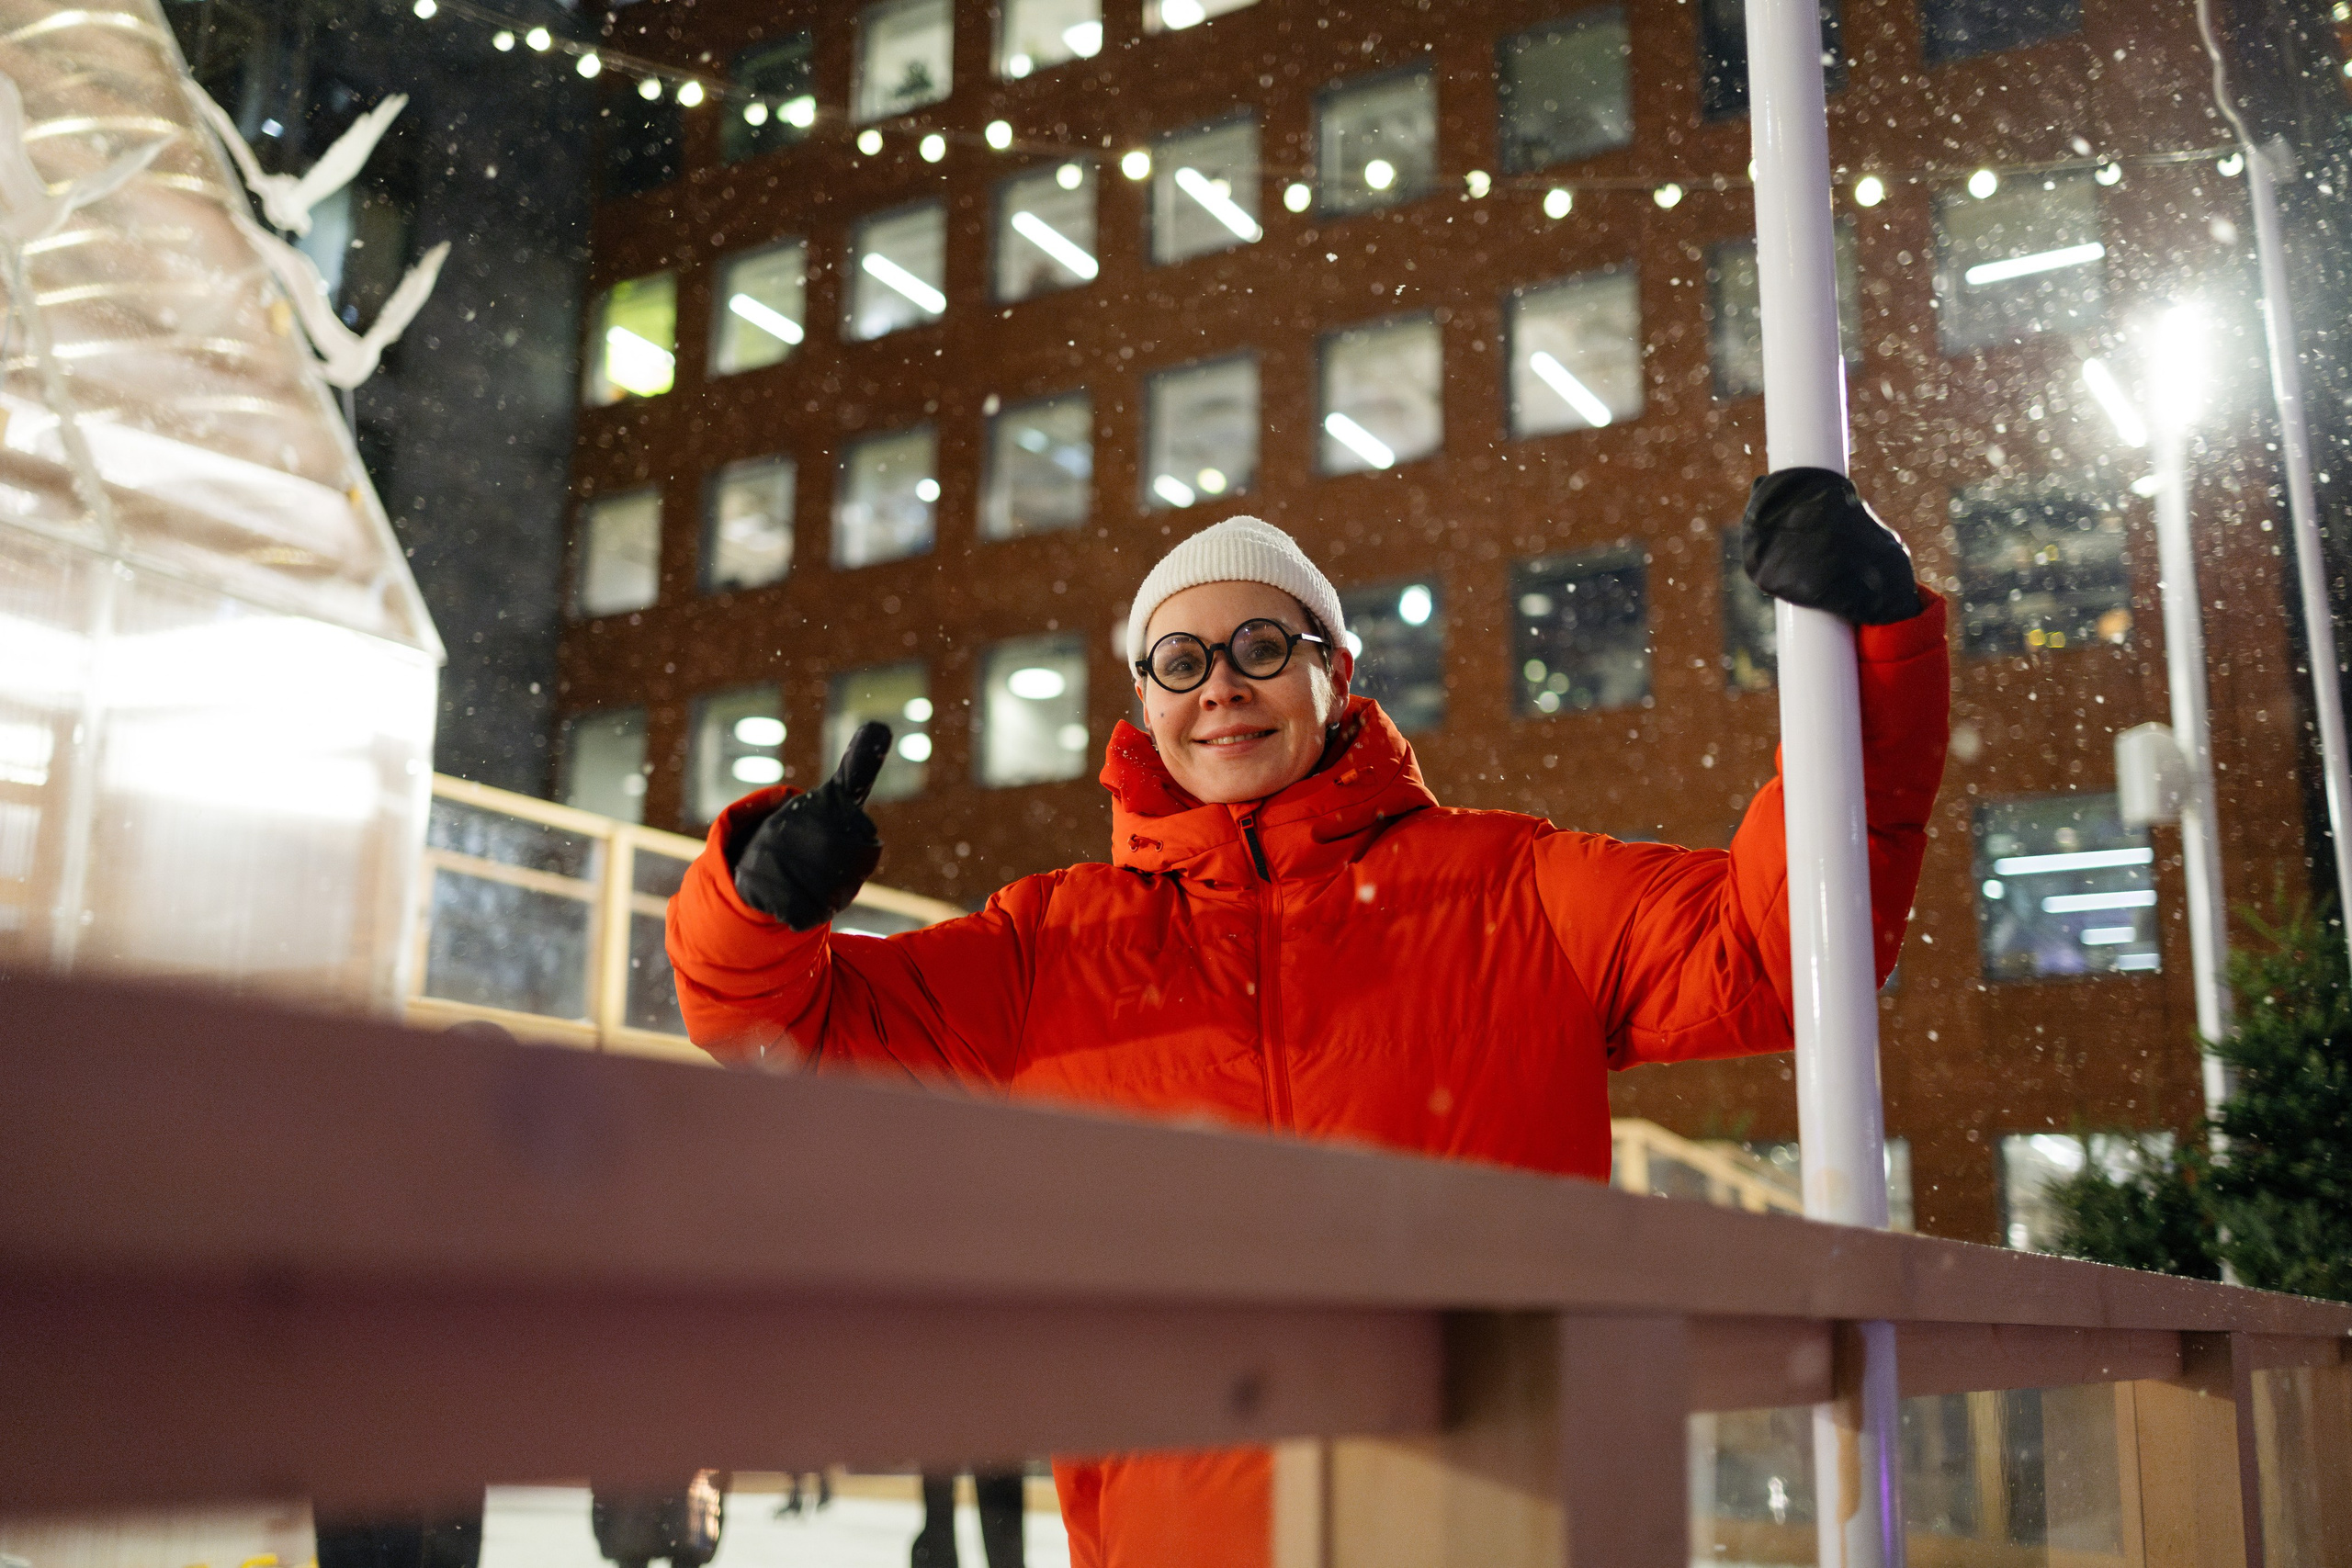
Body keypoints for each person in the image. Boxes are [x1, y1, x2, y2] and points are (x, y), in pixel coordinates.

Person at [667, 469, 1951, 1568]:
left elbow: (1782, 950)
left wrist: (1871, 662)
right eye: (1181, 661)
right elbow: (785, 1034)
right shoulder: (1048, 944)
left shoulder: (1513, 886)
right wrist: (759, 903)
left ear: (1336, 673)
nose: (1220, 686)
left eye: (1261, 649)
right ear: (1147, 708)